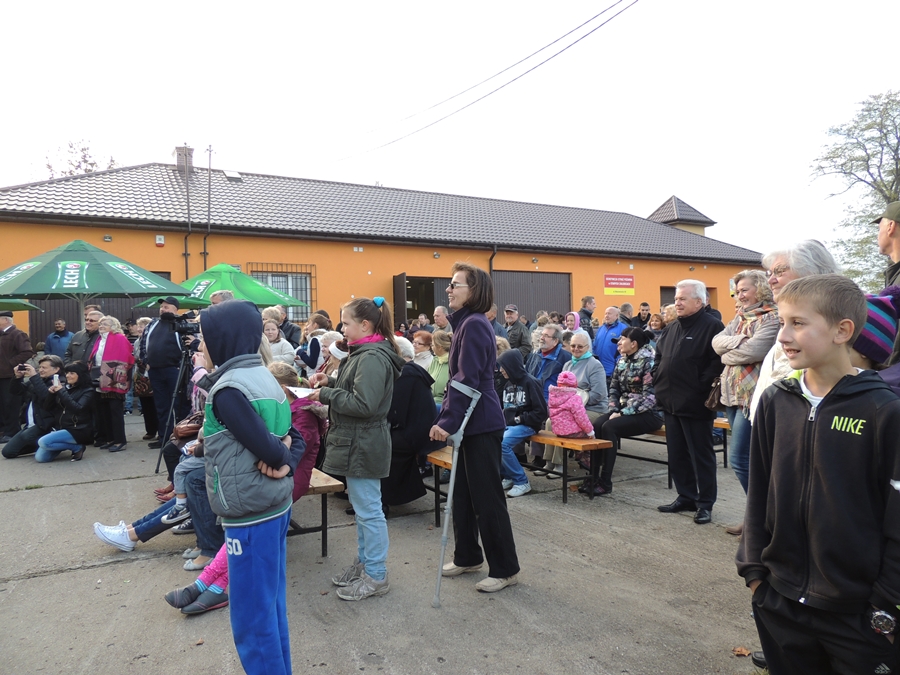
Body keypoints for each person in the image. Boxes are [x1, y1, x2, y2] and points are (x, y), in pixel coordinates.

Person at [736, 274, 900, 673]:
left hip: (857, 614)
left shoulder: (884, 411)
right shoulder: (776, 401)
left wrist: (885, 602)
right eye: (782, 322)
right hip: (780, 600)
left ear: (842, 331)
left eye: (798, 323)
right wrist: (755, 573)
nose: (783, 336)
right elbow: (759, 491)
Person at [199, 299, 305, 675]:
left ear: (223, 340)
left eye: (205, 338)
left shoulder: (229, 390)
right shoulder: (263, 375)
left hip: (251, 512)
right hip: (273, 504)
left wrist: (282, 457)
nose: (200, 346)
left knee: (252, 619)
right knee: (270, 606)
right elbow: (294, 439)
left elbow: (272, 449)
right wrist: (288, 460)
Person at [430, 262, 520, 593]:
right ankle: (467, 556)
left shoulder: (476, 325)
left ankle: (505, 568)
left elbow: (466, 381)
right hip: (469, 423)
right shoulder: (466, 323)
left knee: (487, 498)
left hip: (480, 422)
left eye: (455, 284)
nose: (449, 289)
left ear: (474, 290)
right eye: (450, 284)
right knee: (463, 495)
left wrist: (446, 422)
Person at [308, 296, 403, 601]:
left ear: (365, 325)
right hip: (358, 442)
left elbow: (364, 404)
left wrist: (325, 394)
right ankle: (365, 565)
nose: (342, 329)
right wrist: (330, 381)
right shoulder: (364, 352)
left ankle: (376, 574)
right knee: (364, 511)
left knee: (369, 512)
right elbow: (355, 390)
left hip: (364, 442)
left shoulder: (371, 357)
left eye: (346, 323)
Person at [652, 280, 724, 525]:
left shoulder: (713, 326)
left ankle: (705, 503)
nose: (677, 303)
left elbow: (716, 363)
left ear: (699, 301)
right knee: (677, 454)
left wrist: (698, 388)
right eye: (676, 299)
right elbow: (659, 356)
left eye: (683, 299)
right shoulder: (672, 327)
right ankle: (686, 496)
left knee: (700, 456)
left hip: (695, 404)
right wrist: (657, 376)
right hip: (670, 402)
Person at [711, 270, 778, 498]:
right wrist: (740, 340)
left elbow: (755, 351)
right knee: (747, 458)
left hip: (753, 396)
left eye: (744, 290)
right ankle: (758, 510)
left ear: (761, 289)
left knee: (740, 458)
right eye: (737, 291)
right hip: (731, 394)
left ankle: (761, 511)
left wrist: (726, 354)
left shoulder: (772, 317)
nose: (740, 296)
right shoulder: (740, 317)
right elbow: (716, 343)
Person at [588, 328, 662, 495]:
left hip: (649, 413)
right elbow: (614, 388)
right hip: (624, 409)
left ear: (633, 344)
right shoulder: (622, 360)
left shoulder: (649, 362)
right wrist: (614, 409)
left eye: (622, 339)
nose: (619, 343)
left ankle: (605, 482)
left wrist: (622, 413)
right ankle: (593, 477)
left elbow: (650, 398)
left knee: (609, 427)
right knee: (598, 424)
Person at [381, 337, 433, 510]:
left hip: (417, 433)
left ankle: (382, 502)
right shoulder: (409, 370)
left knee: (380, 445)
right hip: (415, 428)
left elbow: (395, 411)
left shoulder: (406, 373)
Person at [137, 297, 192, 450]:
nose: (163, 309)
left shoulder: (181, 323)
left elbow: (189, 345)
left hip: (175, 370)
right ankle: (164, 438)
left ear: (175, 309)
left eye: (167, 307)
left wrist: (183, 366)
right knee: (161, 406)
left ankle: (181, 438)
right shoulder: (152, 324)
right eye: (162, 307)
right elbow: (143, 343)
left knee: (180, 405)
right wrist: (146, 362)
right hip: (155, 370)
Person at [496, 349, 546, 497]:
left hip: (528, 425)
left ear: (512, 365)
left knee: (503, 444)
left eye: (504, 366)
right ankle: (508, 476)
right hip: (510, 425)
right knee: (492, 439)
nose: (501, 370)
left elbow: (541, 412)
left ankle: (521, 481)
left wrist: (520, 419)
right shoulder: (507, 384)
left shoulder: (531, 382)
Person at [2, 355, 63, 459]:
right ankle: (42, 446)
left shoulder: (59, 382)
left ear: (56, 369)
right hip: (32, 424)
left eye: (44, 368)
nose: (40, 370)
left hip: (46, 425)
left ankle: (57, 443)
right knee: (8, 452)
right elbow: (16, 391)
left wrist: (34, 376)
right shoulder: (37, 380)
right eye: (40, 367)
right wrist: (17, 377)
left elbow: (45, 397)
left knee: (27, 436)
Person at [90, 316, 135, 452]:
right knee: (104, 411)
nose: (101, 326)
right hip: (100, 377)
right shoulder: (99, 339)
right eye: (100, 324)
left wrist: (113, 375)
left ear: (113, 326)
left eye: (105, 324)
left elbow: (126, 357)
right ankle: (110, 439)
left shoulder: (120, 338)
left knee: (115, 411)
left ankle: (120, 440)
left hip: (115, 379)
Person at [36, 362, 95, 462]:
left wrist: (61, 392)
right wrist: (51, 394)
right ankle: (73, 446)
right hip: (61, 428)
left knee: (43, 442)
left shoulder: (88, 391)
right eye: (67, 373)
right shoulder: (64, 388)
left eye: (72, 373)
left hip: (78, 430)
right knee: (41, 458)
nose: (67, 376)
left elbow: (78, 408)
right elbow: (47, 408)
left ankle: (77, 447)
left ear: (80, 375)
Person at [0, 311, 34, 443]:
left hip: (10, 376)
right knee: (2, 405)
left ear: (5, 320)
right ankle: (3, 430)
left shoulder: (17, 334)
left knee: (11, 404)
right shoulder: (2, 335)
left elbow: (27, 352)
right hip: (1, 375)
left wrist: (10, 364)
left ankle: (12, 431)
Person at [875, 201, 900, 364]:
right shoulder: (895, 275)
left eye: (879, 229)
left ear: (890, 227)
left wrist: (884, 371)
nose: (877, 235)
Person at [591, 307, 629, 383]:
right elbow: (594, 346)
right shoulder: (601, 328)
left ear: (616, 316)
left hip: (611, 371)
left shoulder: (623, 328)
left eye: (609, 314)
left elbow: (625, 349)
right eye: (605, 313)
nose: (606, 316)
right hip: (597, 370)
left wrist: (617, 365)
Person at [428, 330, 451, 410]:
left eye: (432, 345)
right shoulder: (435, 360)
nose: (431, 348)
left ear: (439, 347)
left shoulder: (453, 362)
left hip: (444, 405)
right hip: (430, 402)